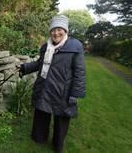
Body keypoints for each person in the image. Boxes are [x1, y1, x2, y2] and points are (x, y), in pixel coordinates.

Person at [19, 15, 85, 153]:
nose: (56, 33)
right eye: (53, 30)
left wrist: (75, 93)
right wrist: (25, 68)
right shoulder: (45, 47)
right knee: (42, 113)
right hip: (44, 86)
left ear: (65, 31)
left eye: (59, 29)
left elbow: (80, 72)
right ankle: (39, 138)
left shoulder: (75, 46)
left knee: (61, 119)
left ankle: (57, 144)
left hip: (63, 90)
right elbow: (40, 63)